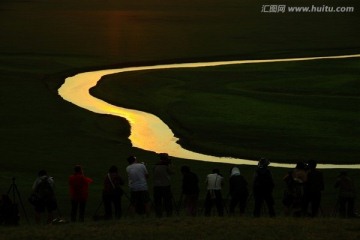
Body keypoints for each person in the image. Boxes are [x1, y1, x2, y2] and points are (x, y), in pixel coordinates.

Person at [153, 153, 173, 217]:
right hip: (165, 185)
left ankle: (158, 214)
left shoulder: (156, 165)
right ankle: (169, 214)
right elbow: (172, 172)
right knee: (167, 200)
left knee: (158, 201)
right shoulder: (166, 165)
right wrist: (170, 165)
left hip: (156, 186)